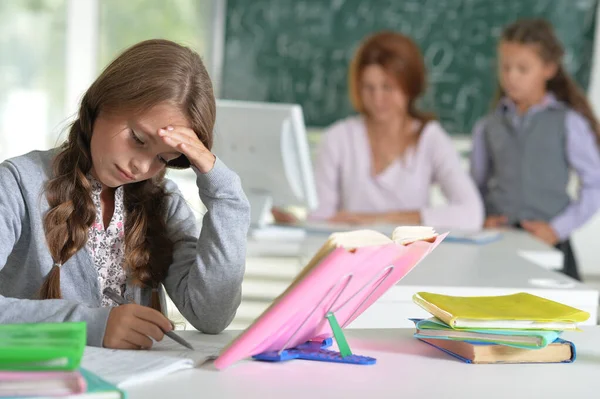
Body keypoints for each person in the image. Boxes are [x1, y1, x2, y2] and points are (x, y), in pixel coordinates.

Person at [0, 39, 250, 348]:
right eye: (138, 139)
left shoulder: (164, 204)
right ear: (104, 101)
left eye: (164, 159)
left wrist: (225, 193)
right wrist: (90, 326)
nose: (141, 166)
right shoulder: (16, 184)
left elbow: (211, 315)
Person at [277, 31, 483, 230]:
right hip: (354, 260)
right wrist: (297, 224)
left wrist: (380, 219)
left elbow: (471, 213)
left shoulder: (430, 138)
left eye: (387, 87)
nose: (377, 99)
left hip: (410, 259)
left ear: (409, 86)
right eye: (369, 87)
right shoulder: (338, 138)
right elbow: (321, 217)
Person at [470, 19, 600, 281]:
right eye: (505, 67)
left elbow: (595, 184)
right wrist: (482, 217)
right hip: (497, 244)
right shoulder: (488, 126)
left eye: (522, 69)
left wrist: (557, 229)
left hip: (551, 247)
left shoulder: (568, 122)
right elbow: (475, 186)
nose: (511, 77)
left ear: (548, 69)